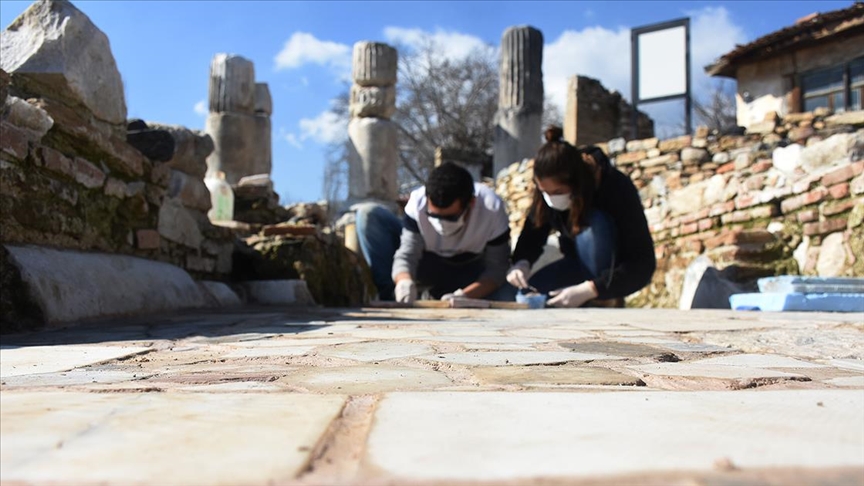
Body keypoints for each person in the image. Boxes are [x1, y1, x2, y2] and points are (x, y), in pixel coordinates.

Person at [505, 126, 656, 308]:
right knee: (527, 296)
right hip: (574, 266)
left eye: (558, 192)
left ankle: (604, 299)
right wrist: (521, 263)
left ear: (577, 183)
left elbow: (642, 264)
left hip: (610, 274)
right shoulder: (546, 192)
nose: (551, 198)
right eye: (544, 192)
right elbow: (533, 232)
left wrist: (591, 289)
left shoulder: (616, 187)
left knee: (593, 225)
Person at [355, 161, 511, 303]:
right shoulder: (417, 204)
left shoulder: (491, 208)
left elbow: (496, 270)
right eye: (434, 216)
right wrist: (403, 281)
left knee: (508, 295)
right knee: (369, 215)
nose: (441, 224)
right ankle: (392, 296)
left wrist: (466, 296)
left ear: (471, 202)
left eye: (450, 217)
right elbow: (407, 255)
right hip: (428, 265)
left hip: (470, 272)